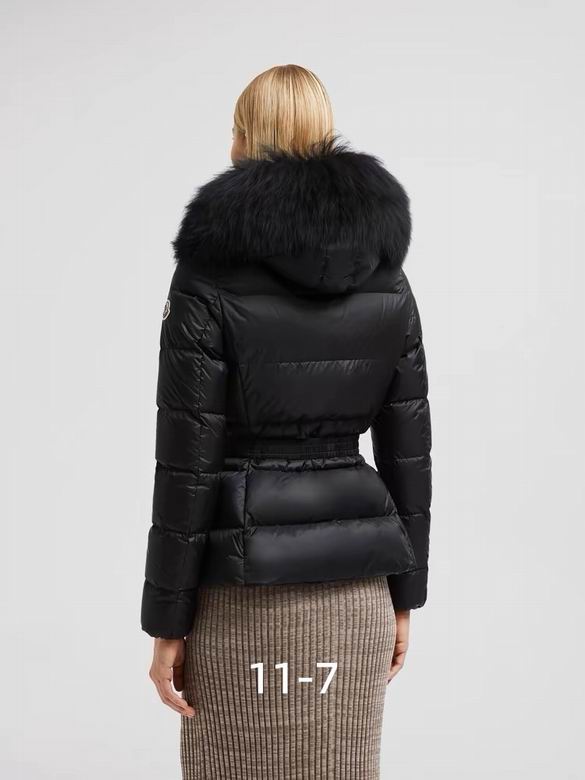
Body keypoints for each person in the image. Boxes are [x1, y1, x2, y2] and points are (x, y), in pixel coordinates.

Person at [141, 63, 432, 780]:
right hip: (357, 594)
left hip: (241, 595)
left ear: (245, 140)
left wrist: (166, 621)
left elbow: (186, 462)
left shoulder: (208, 275)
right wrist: (404, 595)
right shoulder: (387, 275)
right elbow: (408, 451)